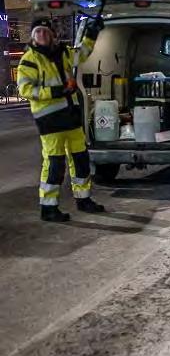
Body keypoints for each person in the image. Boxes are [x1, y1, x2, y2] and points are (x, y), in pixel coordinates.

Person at [18, 16, 106, 222]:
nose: (42, 35)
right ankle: (48, 208)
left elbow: (82, 53)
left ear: (52, 35)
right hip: (50, 122)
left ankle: (83, 199)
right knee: (55, 165)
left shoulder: (64, 52)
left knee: (81, 161)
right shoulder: (29, 60)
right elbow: (25, 89)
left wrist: (92, 33)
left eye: (45, 32)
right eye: (38, 32)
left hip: (71, 118)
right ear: (33, 37)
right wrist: (57, 91)